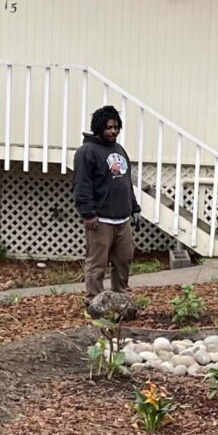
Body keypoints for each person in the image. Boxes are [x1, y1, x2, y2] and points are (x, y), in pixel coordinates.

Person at [73, 105, 139, 300]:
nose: (113, 131)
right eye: (109, 127)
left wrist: (134, 208)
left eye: (116, 127)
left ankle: (121, 297)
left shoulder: (119, 150)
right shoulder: (87, 152)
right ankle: (94, 300)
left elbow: (126, 183)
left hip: (122, 218)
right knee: (97, 263)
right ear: (99, 127)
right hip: (100, 220)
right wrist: (88, 213)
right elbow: (81, 185)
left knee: (124, 260)